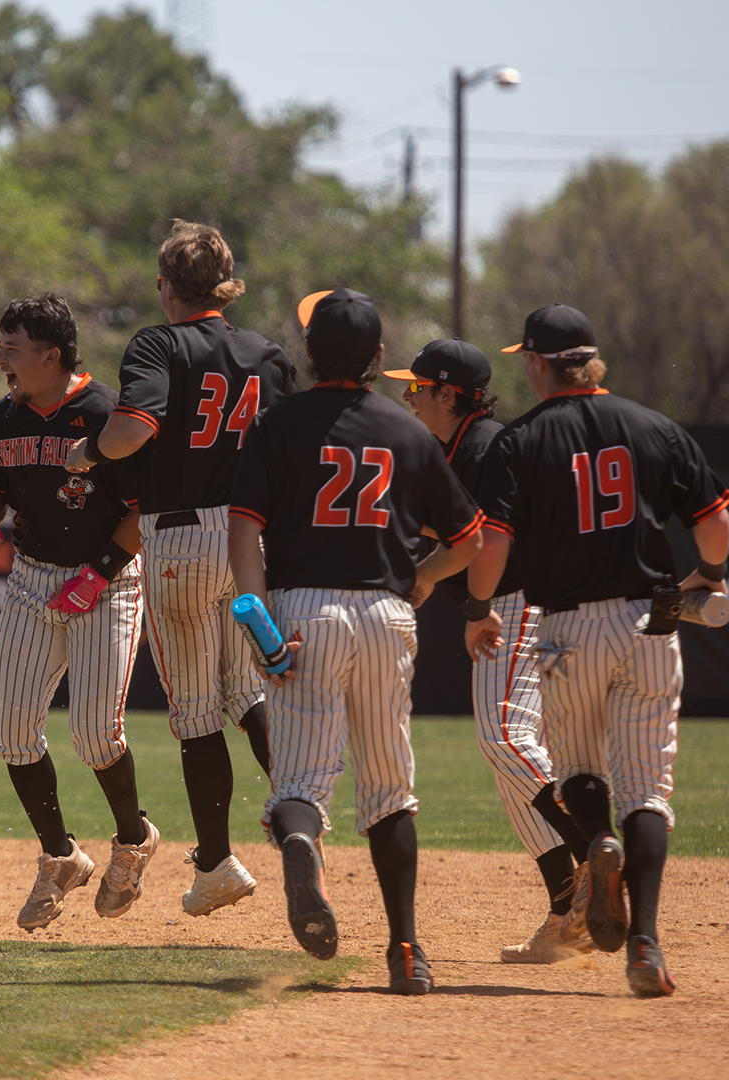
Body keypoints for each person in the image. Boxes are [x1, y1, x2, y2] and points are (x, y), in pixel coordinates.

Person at [466, 303, 729, 998]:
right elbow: (715, 525)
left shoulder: (518, 441)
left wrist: (475, 610)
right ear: (592, 362)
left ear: (535, 363)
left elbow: (493, 546)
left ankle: (594, 843)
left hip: (566, 629)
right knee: (648, 792)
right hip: (651, 621)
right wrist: (709, 578)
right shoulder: (655, 427)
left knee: (581, 768)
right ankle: (644, 944)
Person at [227, 288, 483, 995]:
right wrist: (423, 580)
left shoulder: (275, 425)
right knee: (389, 787)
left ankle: (303, 839)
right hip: (384, 612)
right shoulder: (408, 432)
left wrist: (260, 624)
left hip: (303, 610)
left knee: (301, 783)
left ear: (309, 353)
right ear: (377, 358)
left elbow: (243, 532)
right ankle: (406, 950)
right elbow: (471, 540)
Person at [61, 219, 296, 918]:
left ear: (166, 284)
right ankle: (294, 801)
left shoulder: (159, 341)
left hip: (182, 539)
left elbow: (134, 426)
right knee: (245, 690)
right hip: (249, 536)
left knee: (196, 714)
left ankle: (219, 862)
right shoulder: (266, 352)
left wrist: (86, 455)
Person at [384, 340, 594, 964]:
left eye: (418, 387)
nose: (408, 396)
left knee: (504, 736)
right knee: (509, 763)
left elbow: (481, 538)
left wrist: (459, 597)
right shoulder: (459, 445)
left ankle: (601, 848)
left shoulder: (487, 446)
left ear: (450, 394)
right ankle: (568, 911)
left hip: (518, 601)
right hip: (509, 602)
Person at [0, 295, 154, 931]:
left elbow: (141, 510)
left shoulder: (104, 413)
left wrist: (96, 573)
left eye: (12, 349)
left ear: (52, 356)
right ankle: (60, 857)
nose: (1, 359)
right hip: (32, 581)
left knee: (96, 735)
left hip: (109, 580)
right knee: (14, 733)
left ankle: (132, 841)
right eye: (1, 346)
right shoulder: (4, 417)